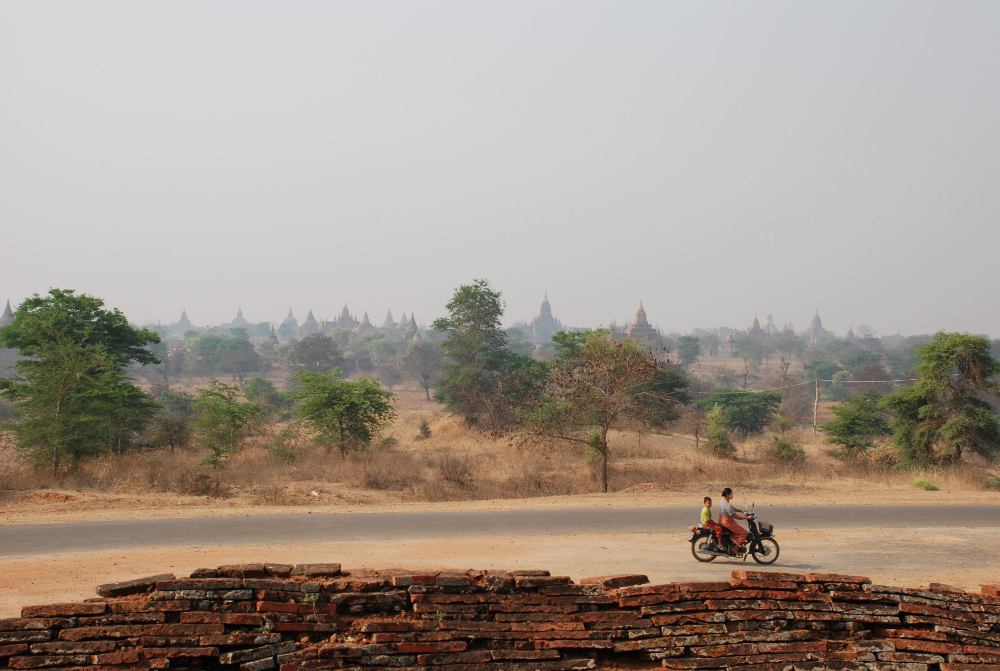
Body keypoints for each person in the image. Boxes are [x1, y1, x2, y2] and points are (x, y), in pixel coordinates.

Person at [719, 487, 749, 551]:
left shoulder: (722, 501)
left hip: (722, 520)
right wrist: (747, 517)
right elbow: (736, 516)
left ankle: (734, 543)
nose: (733, 495)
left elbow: (732, 508)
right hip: (727, 522)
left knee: (738, 529)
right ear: (727, 495)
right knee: (744, 532)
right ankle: (735, 548)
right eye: (731, 494)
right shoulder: (727, 505)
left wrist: (741, 510)